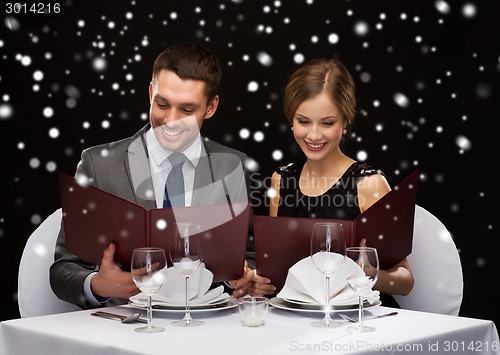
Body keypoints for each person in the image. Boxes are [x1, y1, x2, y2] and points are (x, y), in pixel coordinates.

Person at [50, 43, 254, 309]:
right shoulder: (97, 165)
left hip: (207, 329)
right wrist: (98, 285)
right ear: (150, 93)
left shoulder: (234, 165)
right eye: (162, 104)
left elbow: (248, 257)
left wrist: (244, 278)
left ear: (211, 107)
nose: (170, 120)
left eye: (187, 110)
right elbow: (62, 270)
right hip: (127, 331)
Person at [249, 58, 414, 306]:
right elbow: (279, 272)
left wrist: (370, 274)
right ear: (291, 120)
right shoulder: (281, 180)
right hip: (295, 320)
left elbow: (406, 281)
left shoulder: (369, 183)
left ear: (346, 121)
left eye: (327, 123)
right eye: (303, 121)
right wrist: (261, 282)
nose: (314, 135)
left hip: (353, 322)